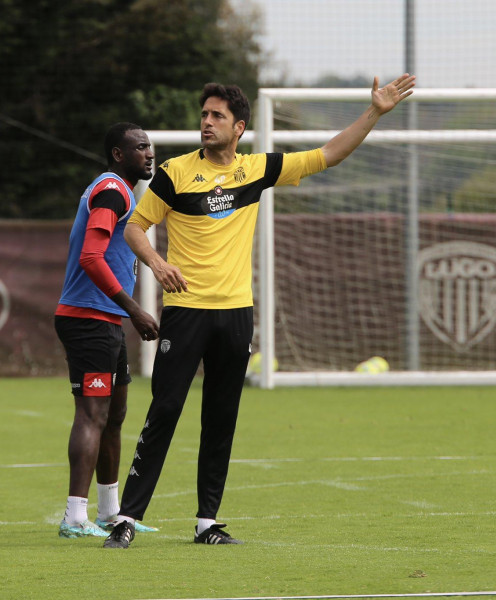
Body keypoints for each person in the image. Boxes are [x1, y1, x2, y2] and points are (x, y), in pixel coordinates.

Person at [103, 74, 416, 549]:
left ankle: (207, 522)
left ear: (239, 127)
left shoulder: (257, 169)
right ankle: (127, 517)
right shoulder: (174, 172)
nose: (206, 123)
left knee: (221, 417)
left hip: (235, 314)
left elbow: (327, 155)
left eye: (217, 117)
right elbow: (135, 228)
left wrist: (374, 112)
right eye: (204, 115)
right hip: (186, 311)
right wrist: (158, 264)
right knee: (164, 410)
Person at [54, 122, 162, 538]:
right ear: (118, 155)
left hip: (105, 320)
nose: (149, 153)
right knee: (93, 414)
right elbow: (91, 256)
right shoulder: (113, 190)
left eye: (149, 146)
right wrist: (135, 309)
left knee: (114, 415)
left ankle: (109, 511)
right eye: (139, 147)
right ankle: (74, 517)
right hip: (87, 320)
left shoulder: (122, 191)